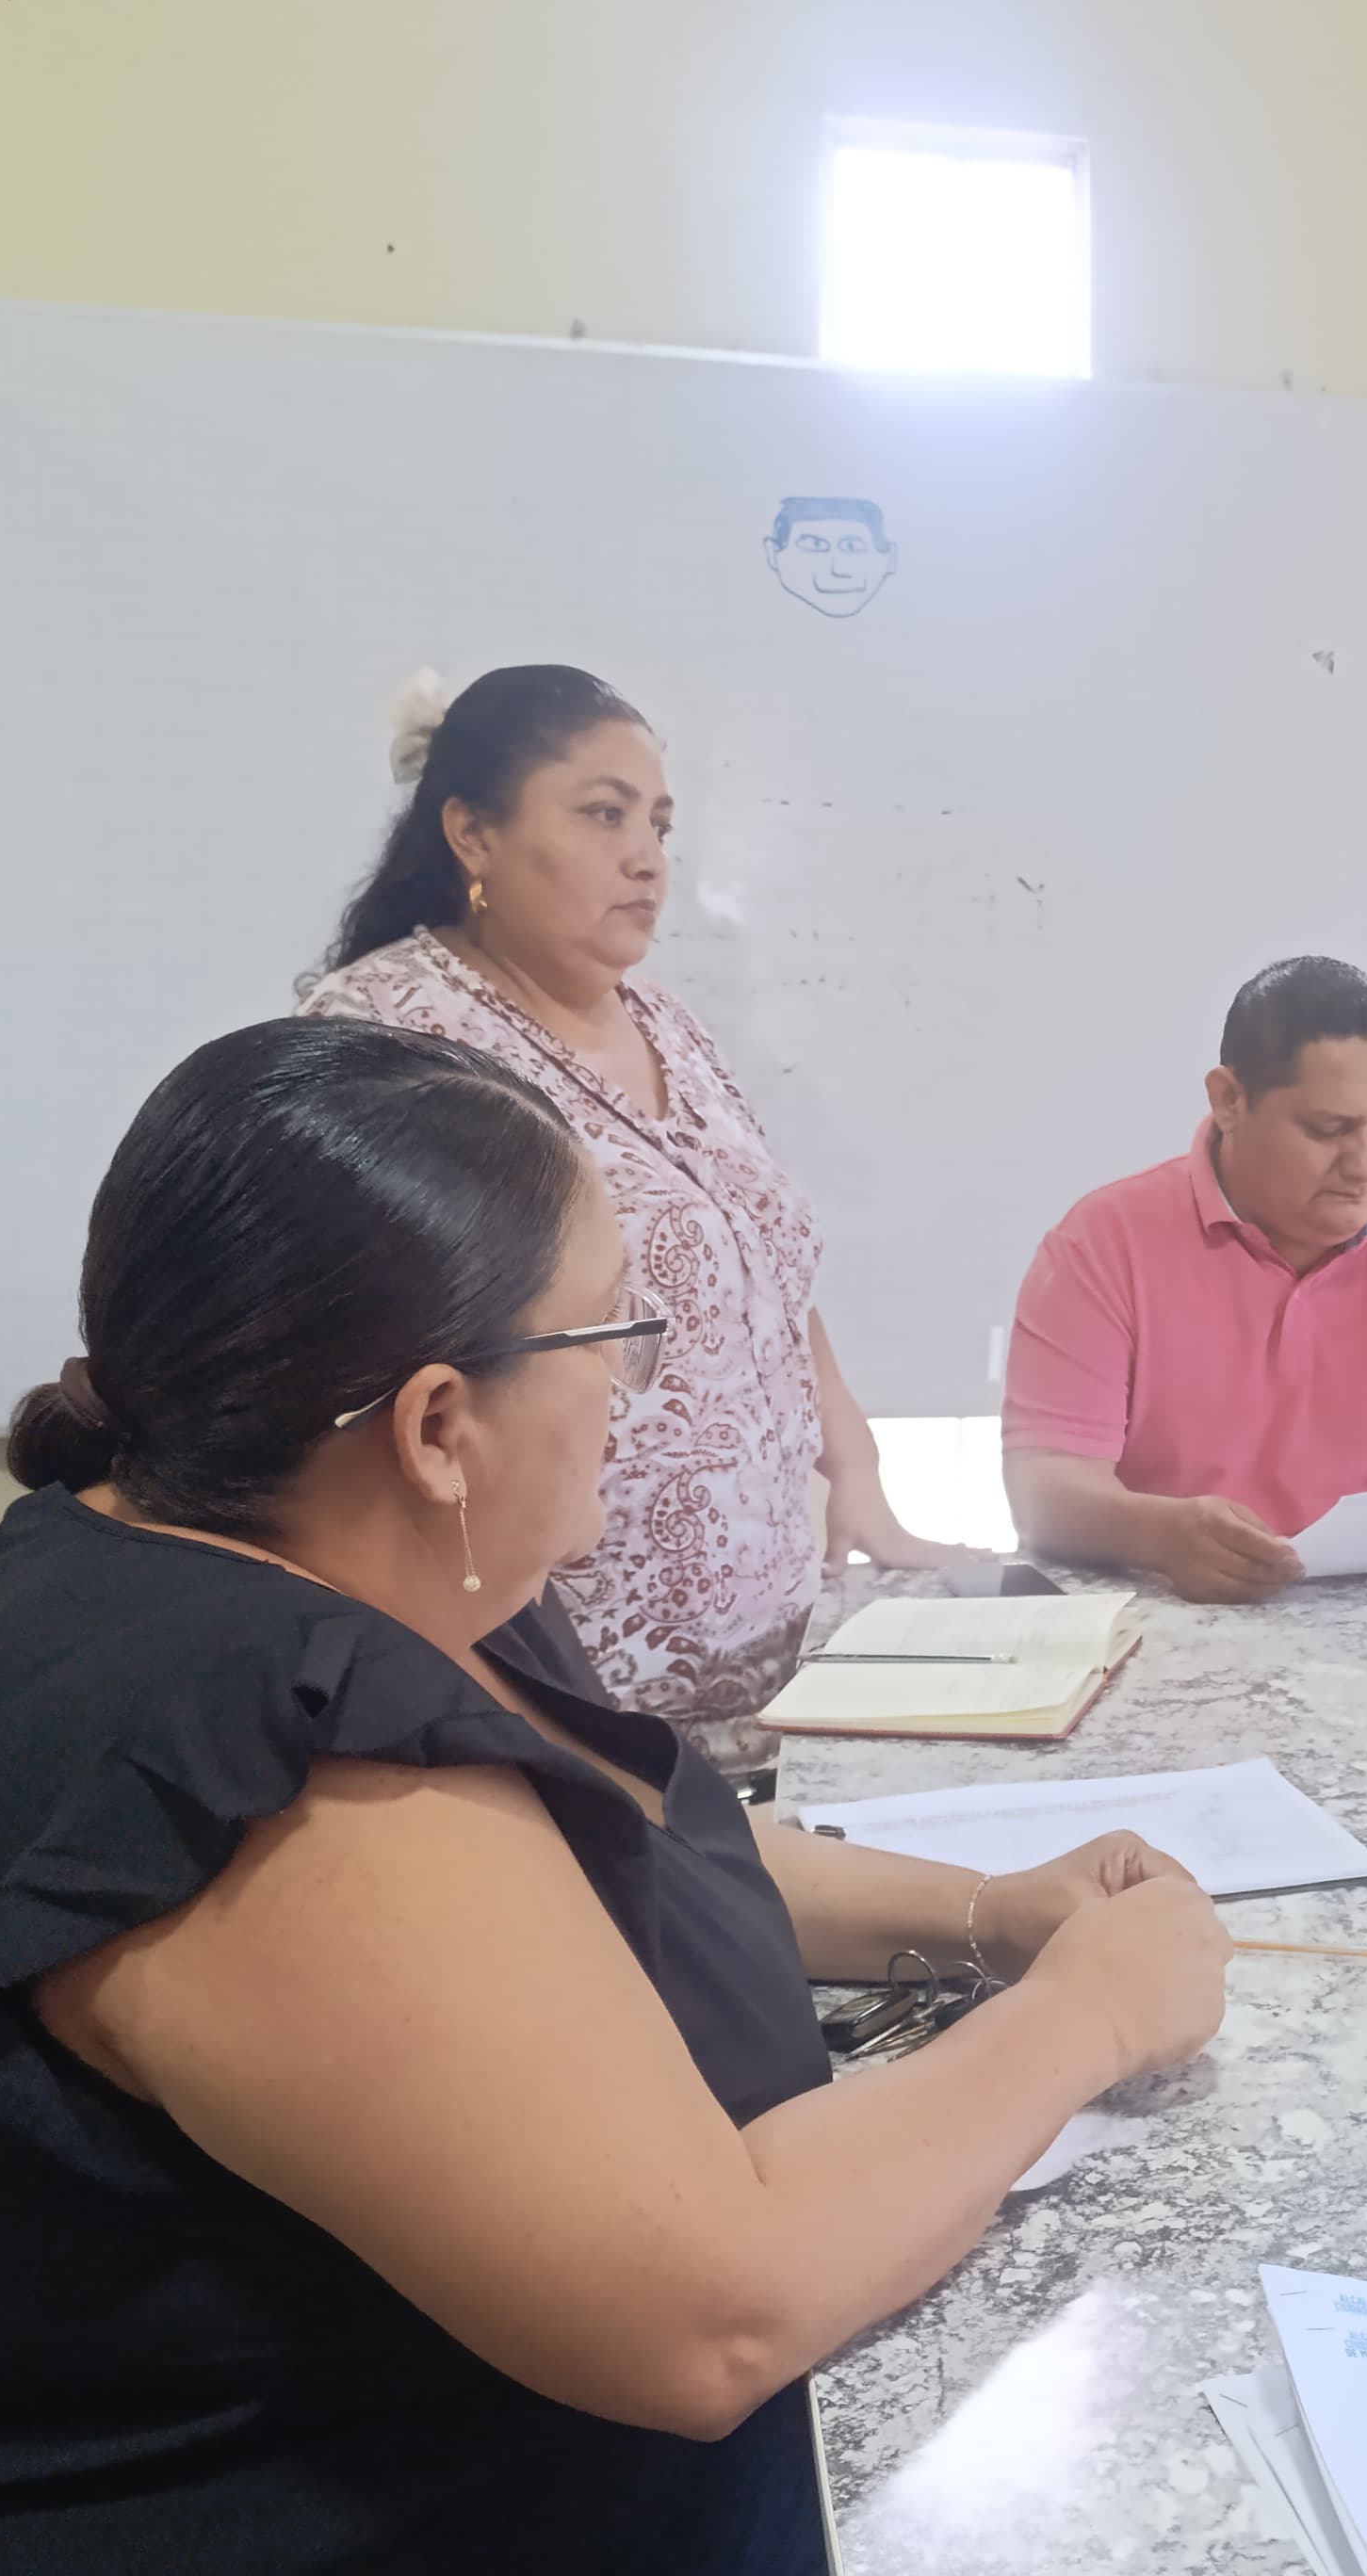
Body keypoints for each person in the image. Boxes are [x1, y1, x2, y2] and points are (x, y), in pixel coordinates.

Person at [0, 1020, 1230, 2576]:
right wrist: (1088, 2016)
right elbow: (715, 2308)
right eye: (610, 1334)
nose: (638, 1388)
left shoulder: (323, 1547)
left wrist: (999, 1915)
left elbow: (642, 1852)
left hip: (402, 2465)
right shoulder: (278, 1779)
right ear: (436, 1422)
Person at [302, 662, 966, 1777]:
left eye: (658, 823)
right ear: (472, 833)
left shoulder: (670, 1025)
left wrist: (854, 1466)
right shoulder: (388, 1035)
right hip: (554, 1701)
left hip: (771, 1685)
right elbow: (361, 1371)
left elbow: (763, 1269)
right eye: (603, 815)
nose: (649, 857)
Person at [1000, 955, 1367, 1602]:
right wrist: (1159, 1535)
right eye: (1328, 1129)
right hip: (1171, 1617)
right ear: (1229, 1100)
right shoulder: (1104, 1243)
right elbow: (1045, 1487)